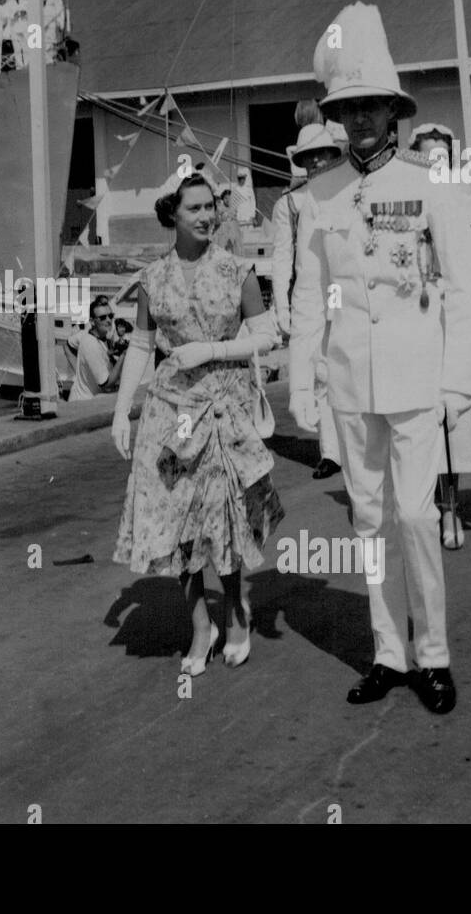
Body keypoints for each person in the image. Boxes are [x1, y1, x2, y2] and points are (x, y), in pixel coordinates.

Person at [289, 3, 471, 714]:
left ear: (394, 111)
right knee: (368, 521)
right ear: (338, 117)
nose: (362, 119)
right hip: (350, 382)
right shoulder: (321, 194)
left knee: (415, 517)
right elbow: (310, 298)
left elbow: (467, 290)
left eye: (372, 106)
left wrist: (459, 381)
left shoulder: (430, 188)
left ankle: (432, 653)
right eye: (350, 108)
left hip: (416, 380)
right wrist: (302, 381)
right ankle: (387, 651)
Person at [112, 172, 284, 675]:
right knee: (169, 515)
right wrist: (122, 412)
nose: (208, 216)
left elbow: (266, 337)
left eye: (211, 206)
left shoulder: (237, 271)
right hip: (172, 412)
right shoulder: (153, 279)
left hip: (222, 406)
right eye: (195, 209)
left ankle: (233, 615)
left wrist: (211, 349)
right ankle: (199, 625)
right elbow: (142, 347)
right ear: (173, 215)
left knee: (220, 517)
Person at [408, 121, 471, 546]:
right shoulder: (403, 205)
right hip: (414, 325)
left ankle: (450, 509)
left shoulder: (465, 204)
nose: (434, 166)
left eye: (441, 157)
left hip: (452, 322)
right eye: (426, 157)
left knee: (453, 425)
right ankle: (420, 507)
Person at [273, 119, 345, 480]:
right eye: (310, 157)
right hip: (307, 293)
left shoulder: (347, 190)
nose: (317, 162)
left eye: (323, 154)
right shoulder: (289, 202)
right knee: (316, 371)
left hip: (342, 288)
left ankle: (357, 444)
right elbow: (282, 256)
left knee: (345, 364)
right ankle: (330, 452)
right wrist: (281, 307)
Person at [65, 297, 126, 401]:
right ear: (92, 322)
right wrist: (123, 355)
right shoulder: (90, 344)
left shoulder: (104, 335)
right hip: (84, 404)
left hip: (92, 400)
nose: (108, 320)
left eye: (110, 316)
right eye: (102, 318)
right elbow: (106, 384)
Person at [212, 187, 243, 255]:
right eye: (226, 198)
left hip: (233, 229)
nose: (228, 200)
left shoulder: (234, 208)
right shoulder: (220, 207)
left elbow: (235, 218)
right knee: (222, 247)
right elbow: (218, 219)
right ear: (223, 198)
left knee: (235, 246)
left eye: (230, 198)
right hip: (223, 230)